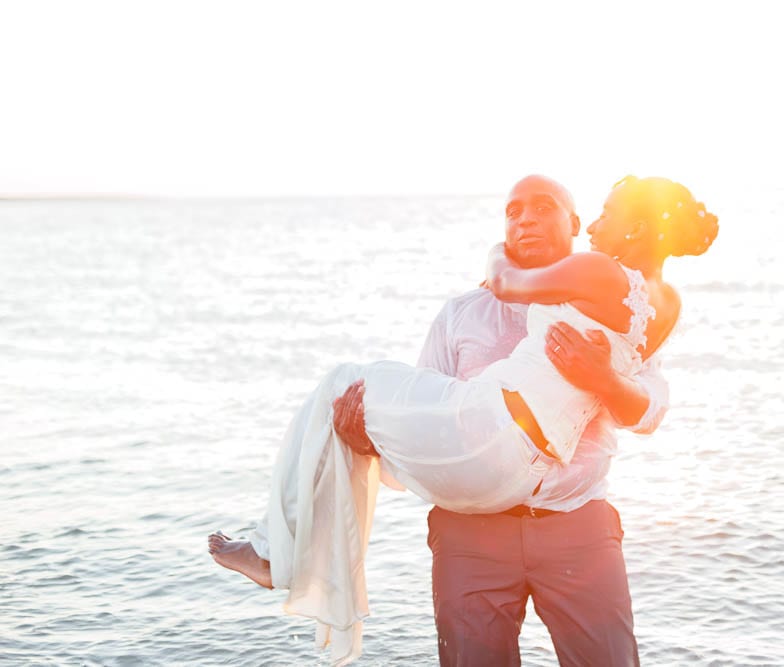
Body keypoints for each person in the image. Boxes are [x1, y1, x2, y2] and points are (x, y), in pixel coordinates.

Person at [209, 175, 718, 665]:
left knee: (339, 380)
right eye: (513, 212)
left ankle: (277, 552)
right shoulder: (465, 313)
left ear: (575, 221)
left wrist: (604, 378)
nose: (525, 221)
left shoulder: (598, 279)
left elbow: (649, 409)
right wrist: (365, 440)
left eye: (544, 208)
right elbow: (428, 424)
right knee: (345, 403)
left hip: (576, 528)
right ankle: (279, 550)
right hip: (472, 530)